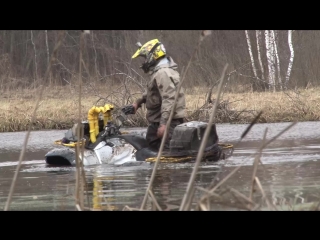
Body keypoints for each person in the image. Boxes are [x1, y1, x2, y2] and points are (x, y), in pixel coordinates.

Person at [127, 39, 186, 151]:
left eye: (145, 58)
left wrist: (164, 125)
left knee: (166, 157)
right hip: (158, 122)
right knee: (151, 151)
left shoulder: (163, 73)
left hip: (167, 123)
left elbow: (169, 98)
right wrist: (138, 102)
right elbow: (152, 93)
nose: (144, 62)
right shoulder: (160, 72)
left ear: (152, 55)